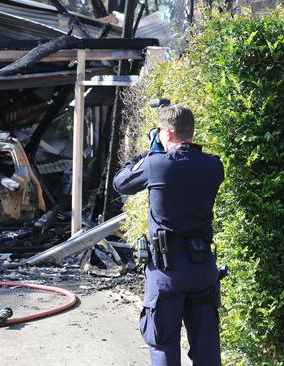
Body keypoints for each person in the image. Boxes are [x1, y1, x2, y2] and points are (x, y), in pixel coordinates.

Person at [113, 104, 224, 366]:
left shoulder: (155, 165)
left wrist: (149, 151)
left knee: (163, 343)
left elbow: (121, 182)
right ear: (191, 133)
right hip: (203, 268)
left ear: (167, 134)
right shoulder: (214, 167)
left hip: (166, 271)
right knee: (207, 348)